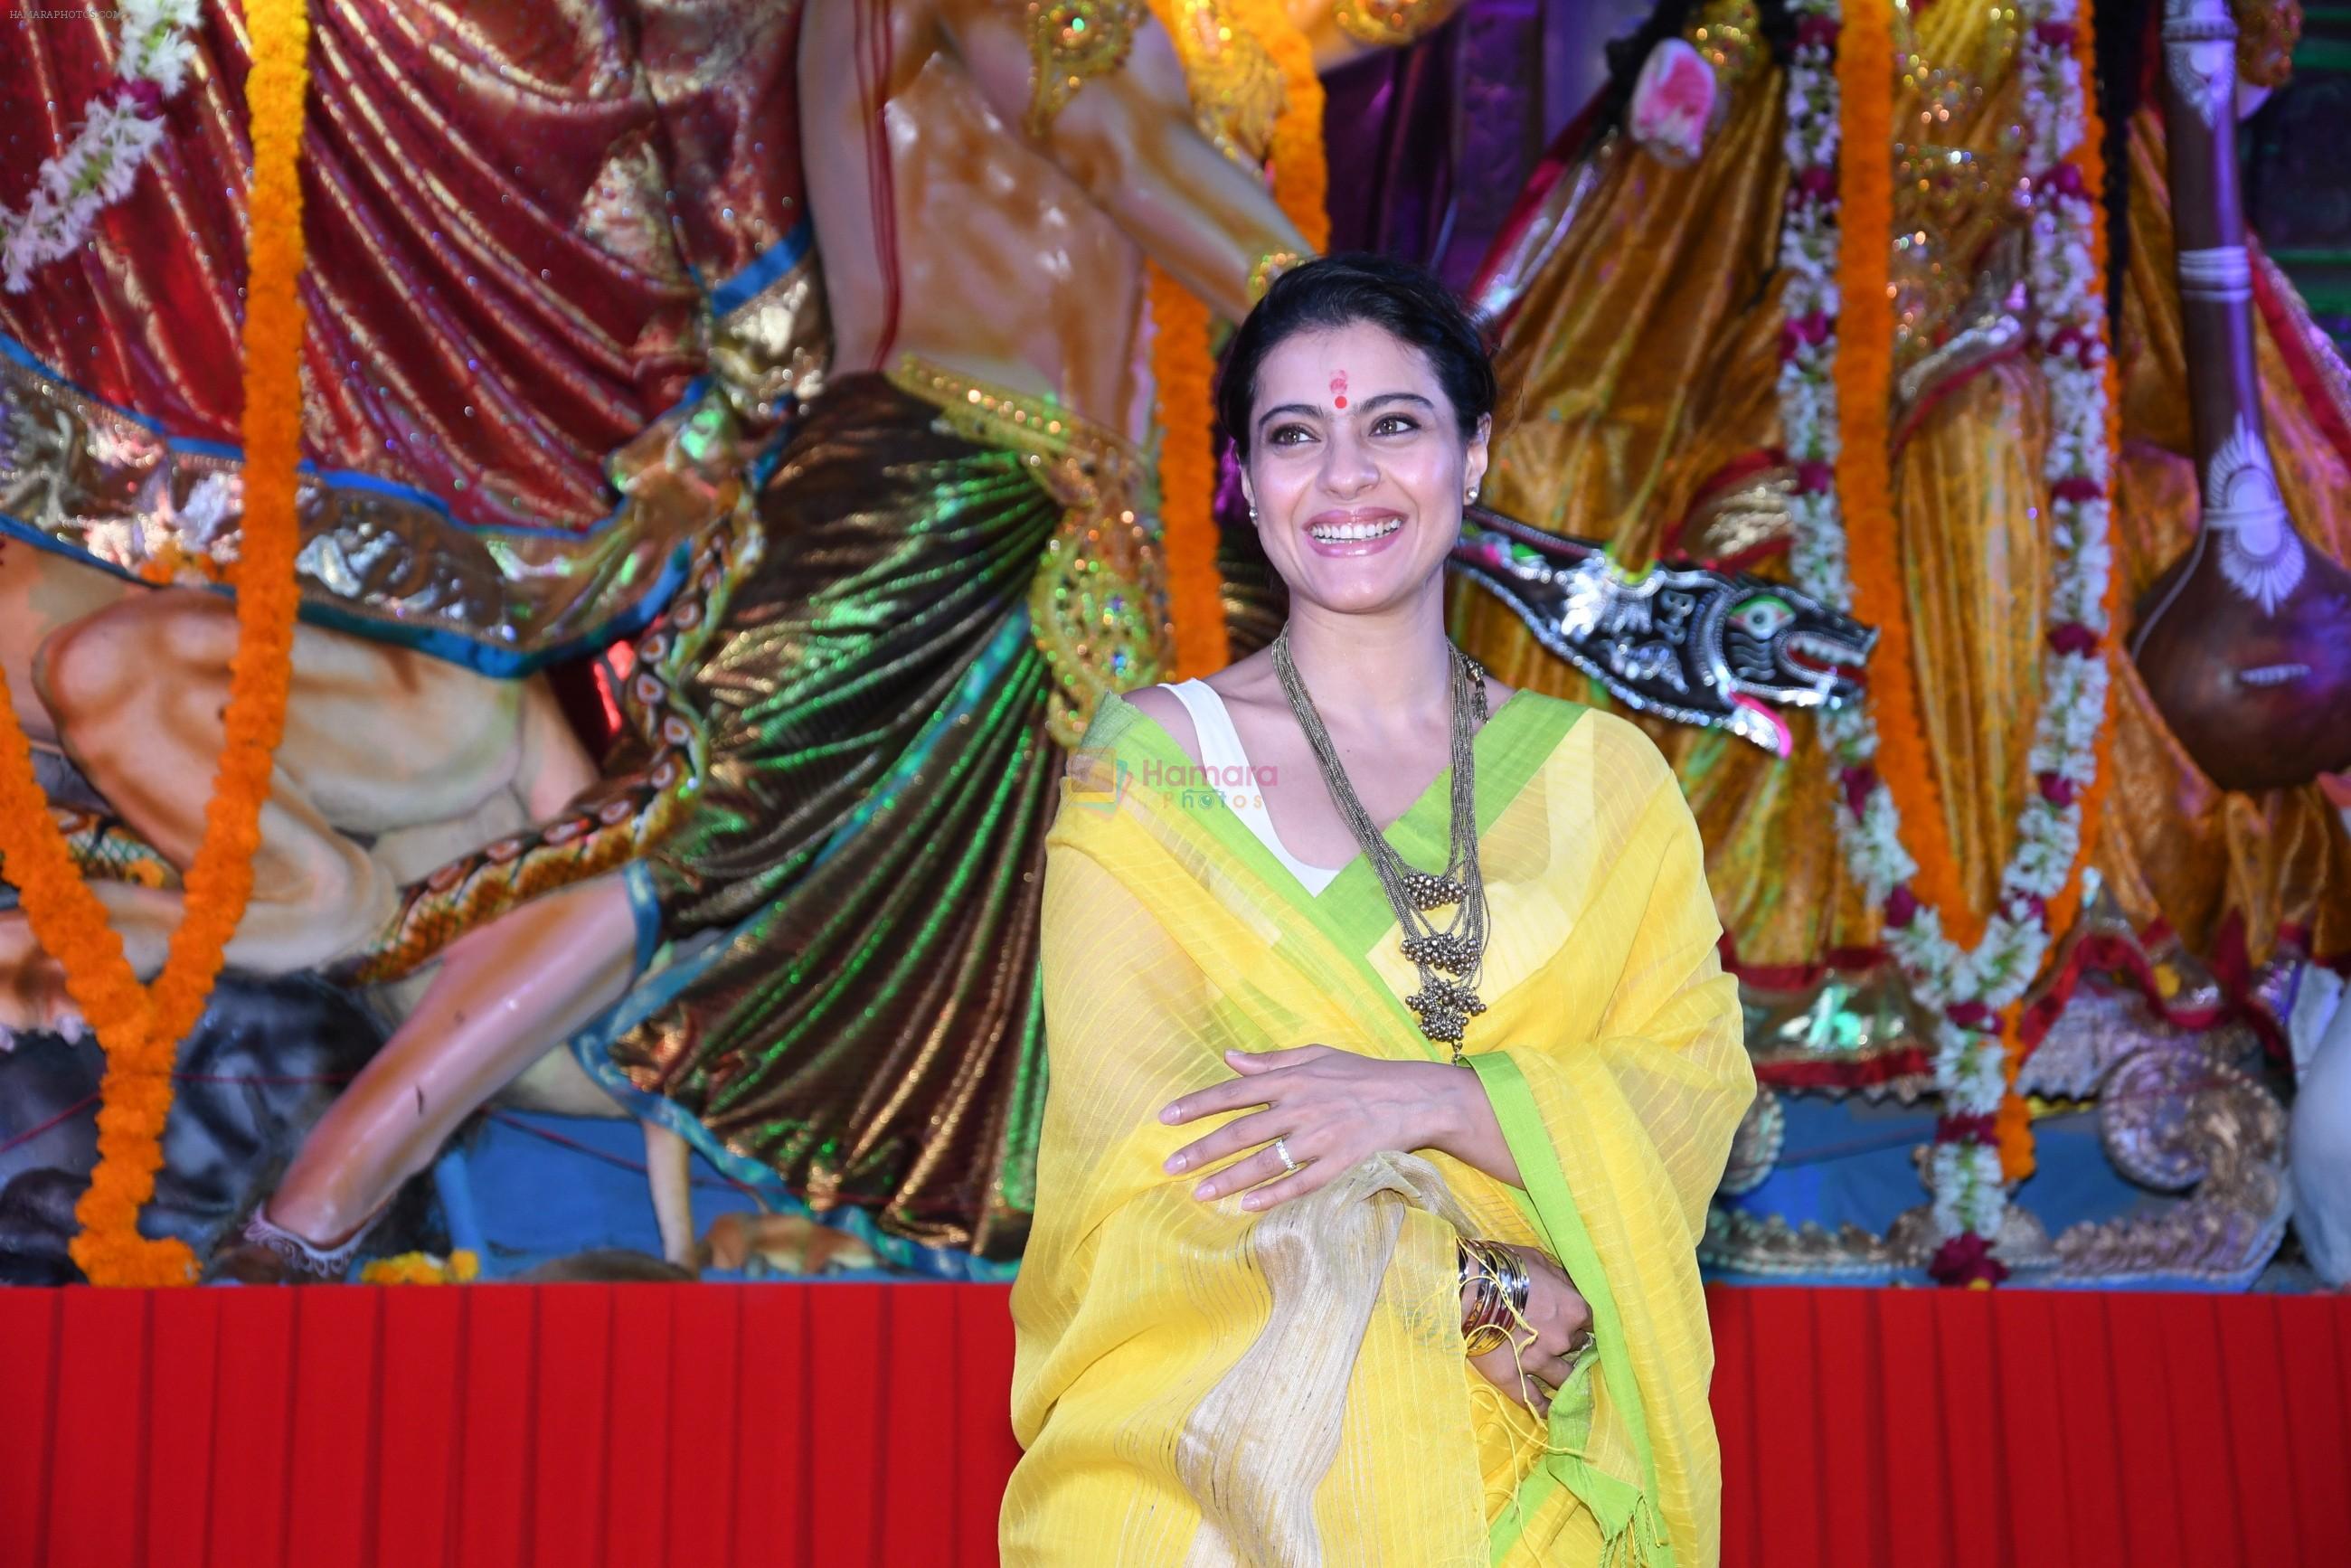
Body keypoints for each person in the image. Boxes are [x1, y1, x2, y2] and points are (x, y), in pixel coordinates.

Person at [203, 0, 1323, 1280]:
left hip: (1142, 528)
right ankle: (314, 1209)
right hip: (925, 469)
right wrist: (1376, 340)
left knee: (1129, 933)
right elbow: (1115, 152)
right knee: (692, 838)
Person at [1004, 255, 1755, 1565]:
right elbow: (1160, 1167)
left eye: (1394, 425)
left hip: (1539, 1491)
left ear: (1473, 456)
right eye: (1296, 435)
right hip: (1207, 1499)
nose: (1346, 476)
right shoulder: (1150, 777)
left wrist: (1441, 1100)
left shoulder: (1605, 788)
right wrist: (1486, 1289)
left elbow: (1690, 1098)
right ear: (1246, 481)